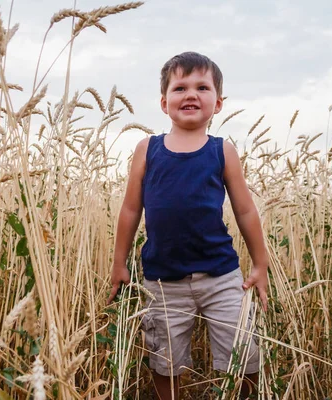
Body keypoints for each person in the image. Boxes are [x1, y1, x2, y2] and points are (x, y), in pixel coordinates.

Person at [107, 51, 269, 399]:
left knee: (244, 355)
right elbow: (131, 209)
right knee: (165, 360)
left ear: (218, 103)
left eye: (202, 87)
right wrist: (119, 263)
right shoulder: (147, 149)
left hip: (221, 276)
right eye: (180, 88)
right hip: (163, 280)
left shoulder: (222, 150)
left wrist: (260, 263)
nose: (191, 94)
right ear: (164, 103)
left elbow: (245, 211)